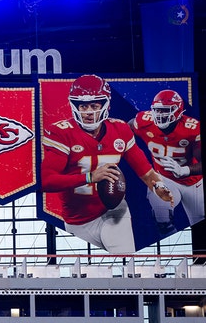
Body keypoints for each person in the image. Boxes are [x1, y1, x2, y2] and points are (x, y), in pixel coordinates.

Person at [41, 74, 173, 253]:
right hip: (76, 221)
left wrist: (158, 186)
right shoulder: (61, 133)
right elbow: (45, 181)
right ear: (74, 105)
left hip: (113, 211)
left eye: (94, 105)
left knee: (125, 262)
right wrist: (89, 177)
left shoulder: (120, 129)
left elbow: (146, 172)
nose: (88, 111)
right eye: (83, 105)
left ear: (106, 105)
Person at [130, 89, 203, 235]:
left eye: (165, 110)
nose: (160, 115)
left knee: (200, 224)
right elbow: (125, 131)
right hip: (164, 178)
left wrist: (185, 170)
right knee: (161, 217)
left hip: (193, 182)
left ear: (178, 111)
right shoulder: (144, 121)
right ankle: (173, 252)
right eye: (157, 110)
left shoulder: (192, 129)